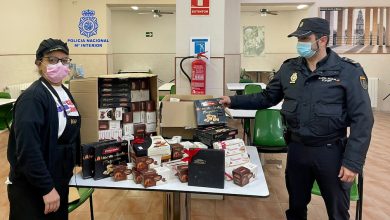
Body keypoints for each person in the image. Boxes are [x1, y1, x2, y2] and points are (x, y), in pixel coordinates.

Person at [220, 17, 373, 220]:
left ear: (323, 40)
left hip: (331, 153)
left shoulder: (348, 71)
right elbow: (267, 97)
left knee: (337, 212)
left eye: (305, 38)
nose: (300, 43)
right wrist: (232, 100)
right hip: (297, 150)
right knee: (296, 207)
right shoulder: (289, 69)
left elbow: (363, 119)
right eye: (298, 38)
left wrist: (353, 162)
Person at [7, 38, 81, 220]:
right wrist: (46, 188)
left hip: (58, 176)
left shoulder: (63, 90)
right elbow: (28, 149)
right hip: (34, 186)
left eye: (64, 60)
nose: (60, 65)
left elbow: (68, 131)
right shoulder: (33, 98)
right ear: (39, 63)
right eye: (52, 59)